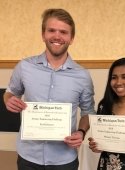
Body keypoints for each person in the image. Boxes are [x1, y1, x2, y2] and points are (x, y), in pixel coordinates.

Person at [3, 8, 95, 170]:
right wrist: (8, 99)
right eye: (51, 30)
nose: (57, 36)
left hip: (64, 160)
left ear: (71, 38)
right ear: (43, 34)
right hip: (28, 157)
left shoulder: (83, 76)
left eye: (63, 32)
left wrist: (81, 132)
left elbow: (88, 112)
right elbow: (10, 92)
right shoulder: (24, 67)